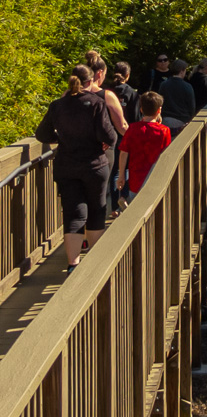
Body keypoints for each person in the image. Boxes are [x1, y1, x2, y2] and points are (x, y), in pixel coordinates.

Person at [34, 65, 117, 270]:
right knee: (97, 209)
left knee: (73, 212)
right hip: (94, 166)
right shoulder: (96, 104)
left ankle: (73, 264)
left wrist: (60, 138)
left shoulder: (57, 106)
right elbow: (109, 136)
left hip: (66, 165)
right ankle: (96, 264)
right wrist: (102, 141)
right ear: (91, 82)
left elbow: (42, 135)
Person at [116, 92, 172, 203]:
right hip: (155, 177)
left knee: (135, 203)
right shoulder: (164, 131)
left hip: (135, 179)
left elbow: (123, 153)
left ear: (141, 109)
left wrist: (121, 174)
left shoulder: (132, 129)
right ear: (159, 110)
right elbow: (167, 154)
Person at [104, 61, 138, 218]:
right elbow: (136, 117)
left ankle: (113, 207)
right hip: (127, 133)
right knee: (126, 168)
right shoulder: (132, 92)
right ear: (128, 75)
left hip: (109, 136)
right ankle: (123, 198)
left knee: (113, 172)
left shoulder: (106, 92)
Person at [158, 59, 196, 131]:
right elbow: (191, 106)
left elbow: (160, 102)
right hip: (181, 120)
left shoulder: (163, 84)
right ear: (182, 71)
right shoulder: (187, 86)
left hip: (165, 120)